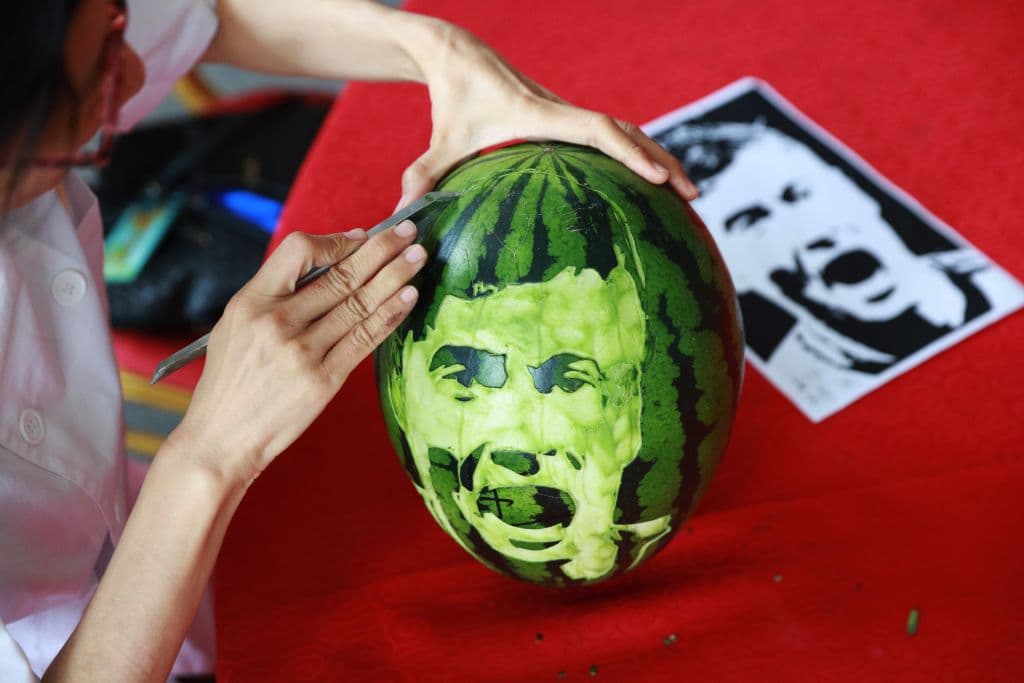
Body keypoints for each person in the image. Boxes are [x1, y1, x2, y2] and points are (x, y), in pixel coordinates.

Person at [0, 0, 696, 680]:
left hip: (141, 537)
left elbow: (213, 14)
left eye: (116, 17)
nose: (132, 61)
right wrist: (207, 453)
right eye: (95, 76)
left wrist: (443, 55)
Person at [656, 120, 992, 374]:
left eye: (798, 194)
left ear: (853, 188)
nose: (815, 236)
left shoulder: (989, 274)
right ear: (731, 271)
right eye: (752, 221)